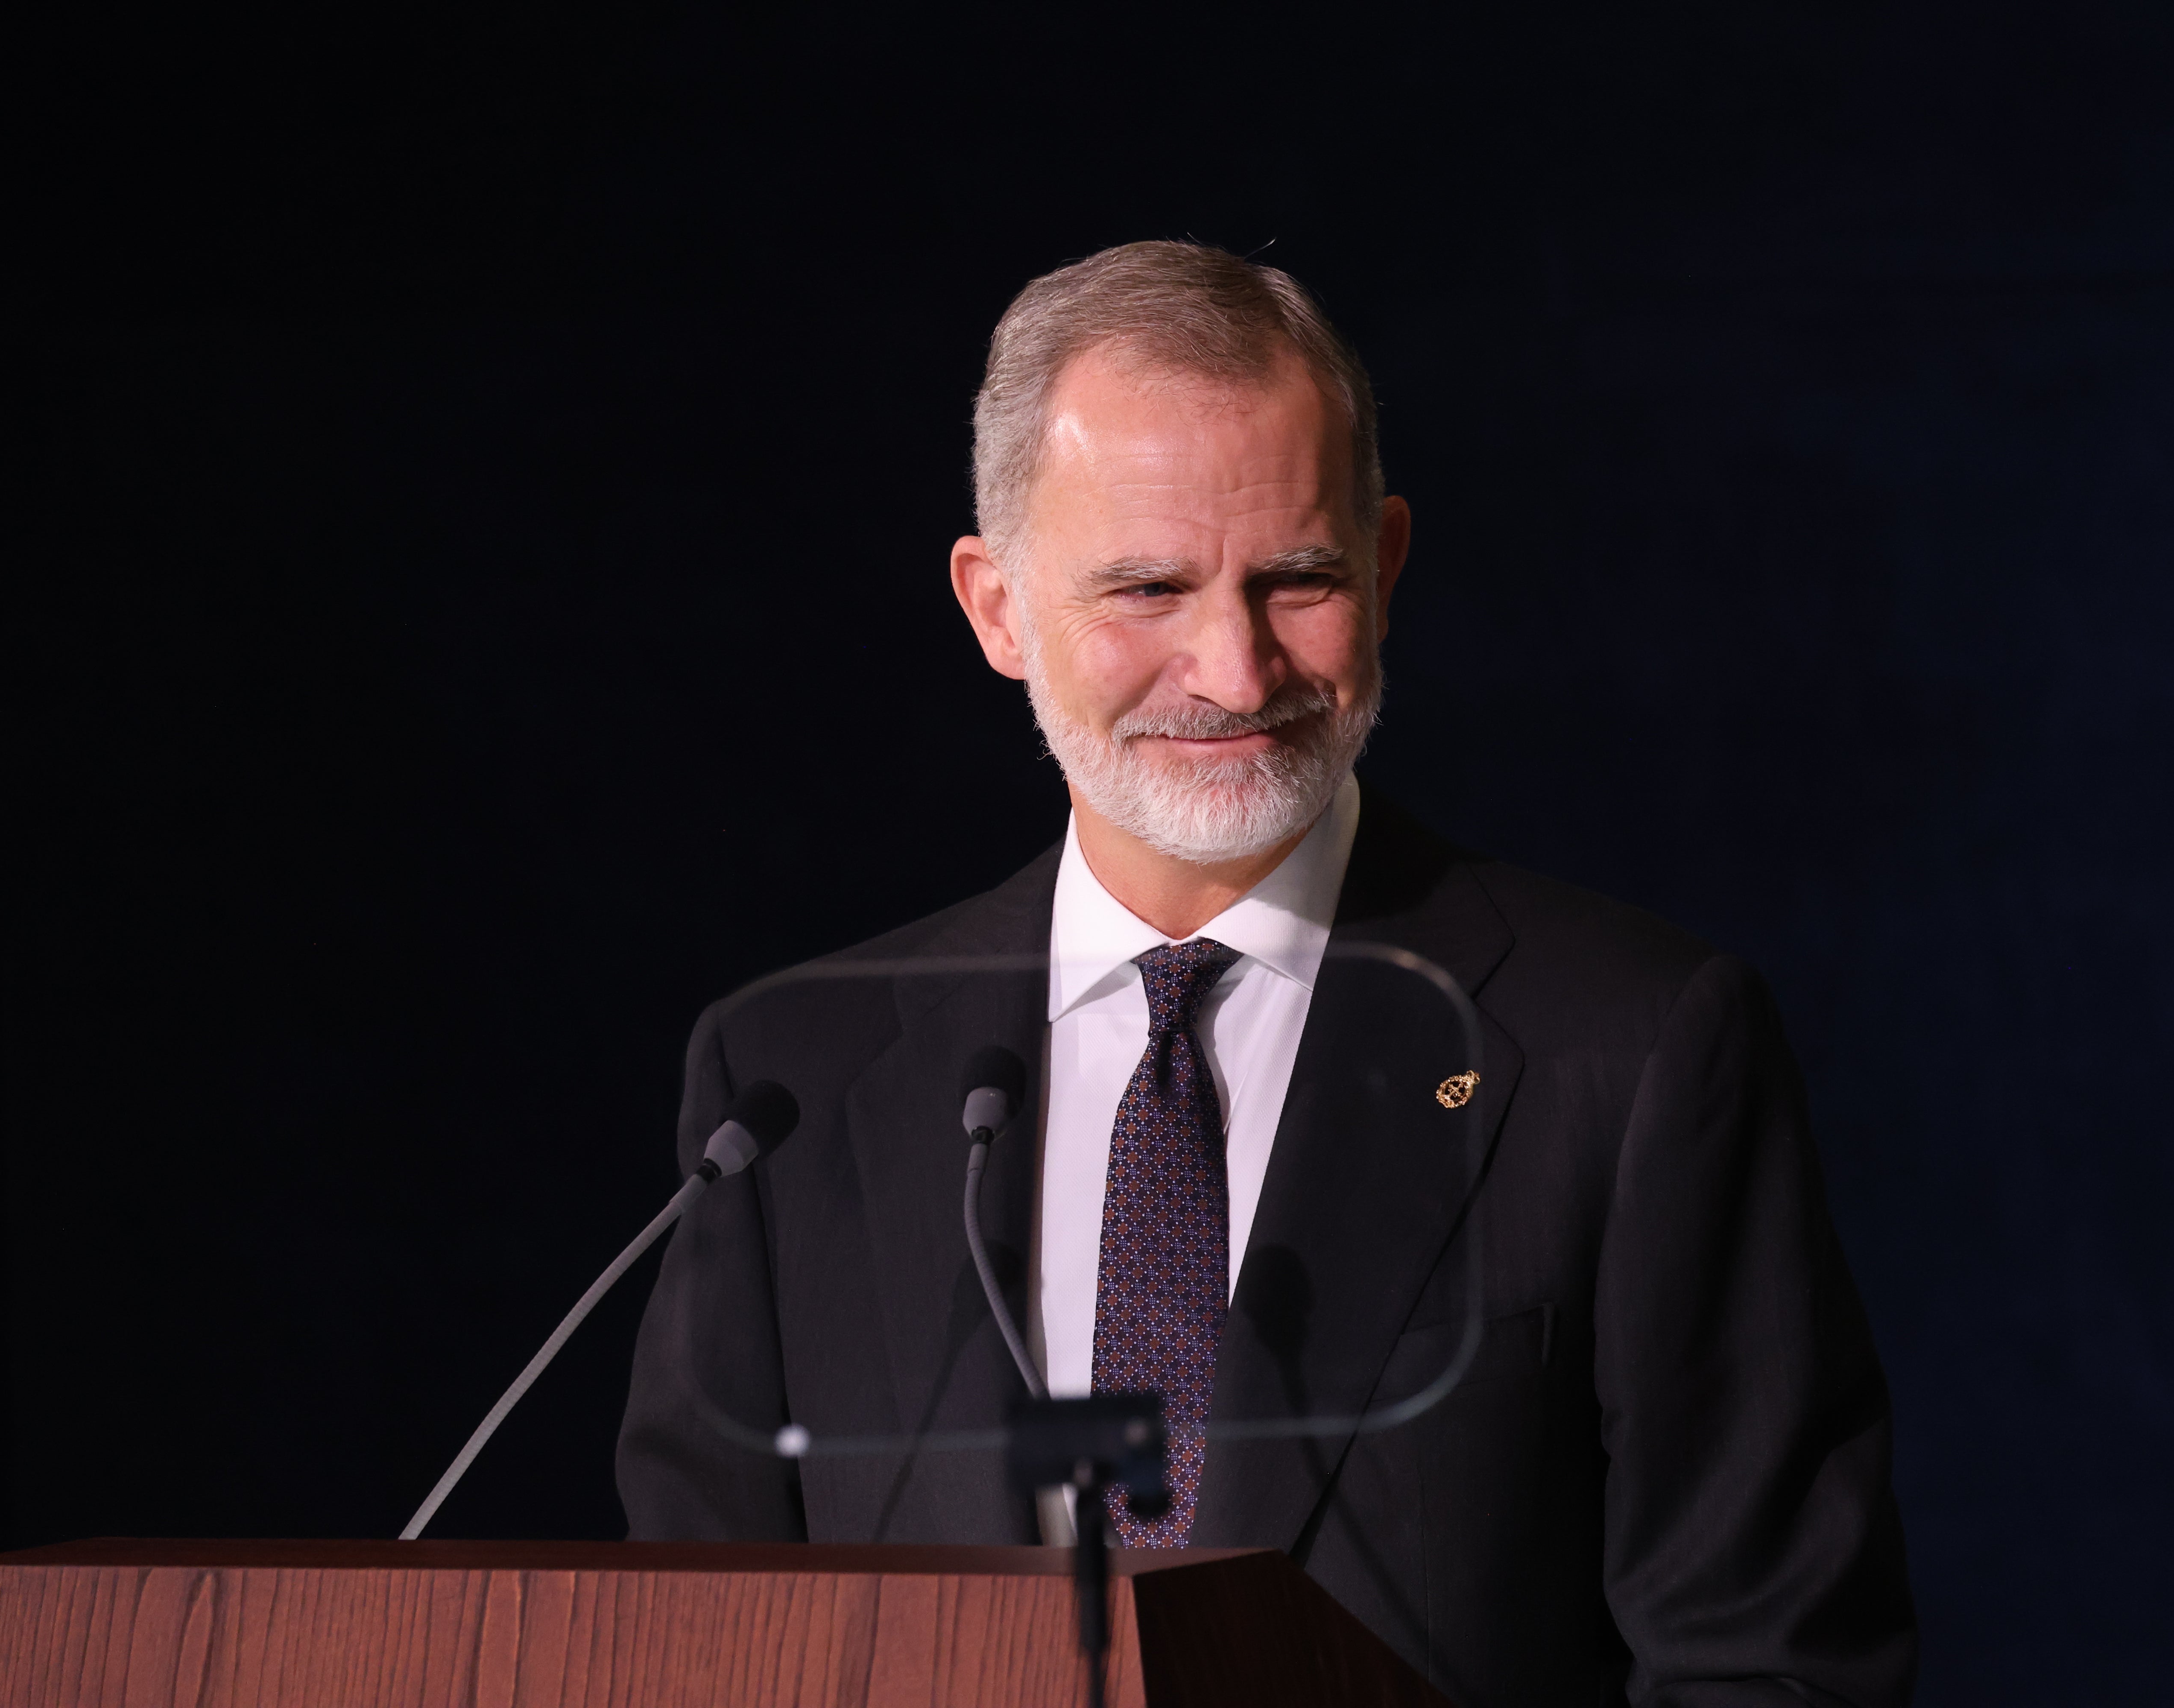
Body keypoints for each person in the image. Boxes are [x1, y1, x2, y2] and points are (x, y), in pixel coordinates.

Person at [617, 241, 1917, 1705]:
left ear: (1388, 563)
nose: (1236, 673)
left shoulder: (1632, 1048)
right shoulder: (791, 1087)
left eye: (1297, 579)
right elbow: (699, 1654)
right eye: (1150, 588)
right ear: (997, 610)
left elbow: (1775, 1673)